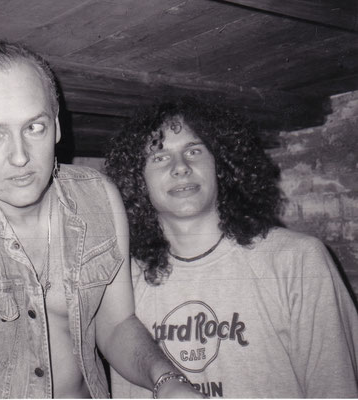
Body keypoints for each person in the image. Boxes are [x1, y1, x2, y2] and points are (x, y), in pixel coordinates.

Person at [0, 41, 202, 398]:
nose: (20, 156)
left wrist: (168, 381)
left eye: (34, 127)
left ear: (57, 126)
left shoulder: (99, 197)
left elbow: (116, 325)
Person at [105, 97, 358, 398]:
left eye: (194, 151)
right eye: (159, 157)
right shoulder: (119, 279)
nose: (180, 167)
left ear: (221, 164)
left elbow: (337, 389)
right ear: (137, 178)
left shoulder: (298, 261)